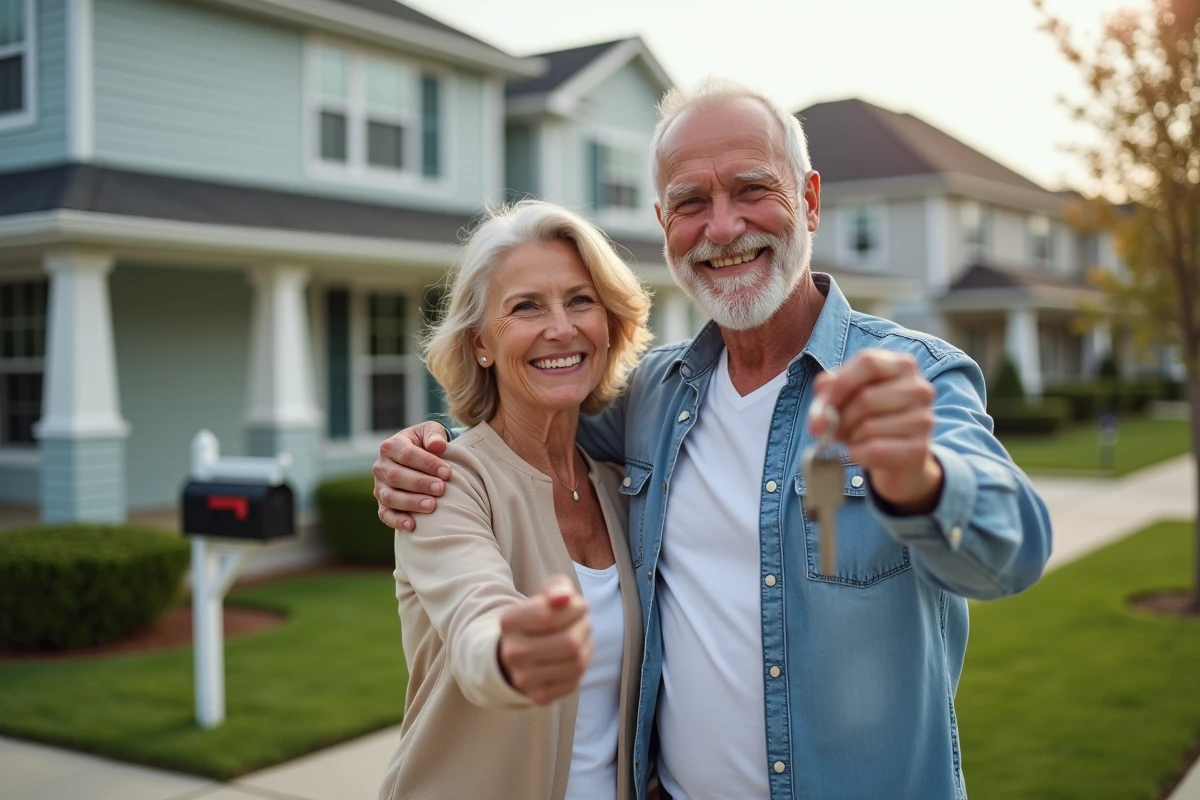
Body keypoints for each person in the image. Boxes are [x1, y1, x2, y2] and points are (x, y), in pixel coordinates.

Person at [375, 80, 1053, 800]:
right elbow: (529, 421)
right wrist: (425, 447)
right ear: (664, 221)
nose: (723, 228)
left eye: (752, 189)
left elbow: (1014, 551)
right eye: (692, 203)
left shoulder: (912, 377)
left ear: (811, 200)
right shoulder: (649, 402)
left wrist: (921, 477)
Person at [378, 200, 652, 800]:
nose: (561, 327)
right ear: (480, 342)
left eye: (580, 300)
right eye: (526, 306)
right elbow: (477, 615)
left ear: (609, 325)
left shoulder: (620, 487)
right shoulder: (443, 482)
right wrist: (510, 651)